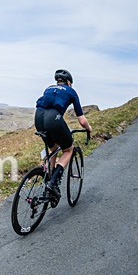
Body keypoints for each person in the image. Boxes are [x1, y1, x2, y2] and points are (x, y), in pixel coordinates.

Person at [35, 69, 93, 200]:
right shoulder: (71, 91)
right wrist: (89, 128)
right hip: (53, 119)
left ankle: (48, 179)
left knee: (54, 149)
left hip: (38, 117)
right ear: (68, 82)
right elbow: (82, 120)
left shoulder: (49, 88)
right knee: (68, 150)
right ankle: (52, 182)